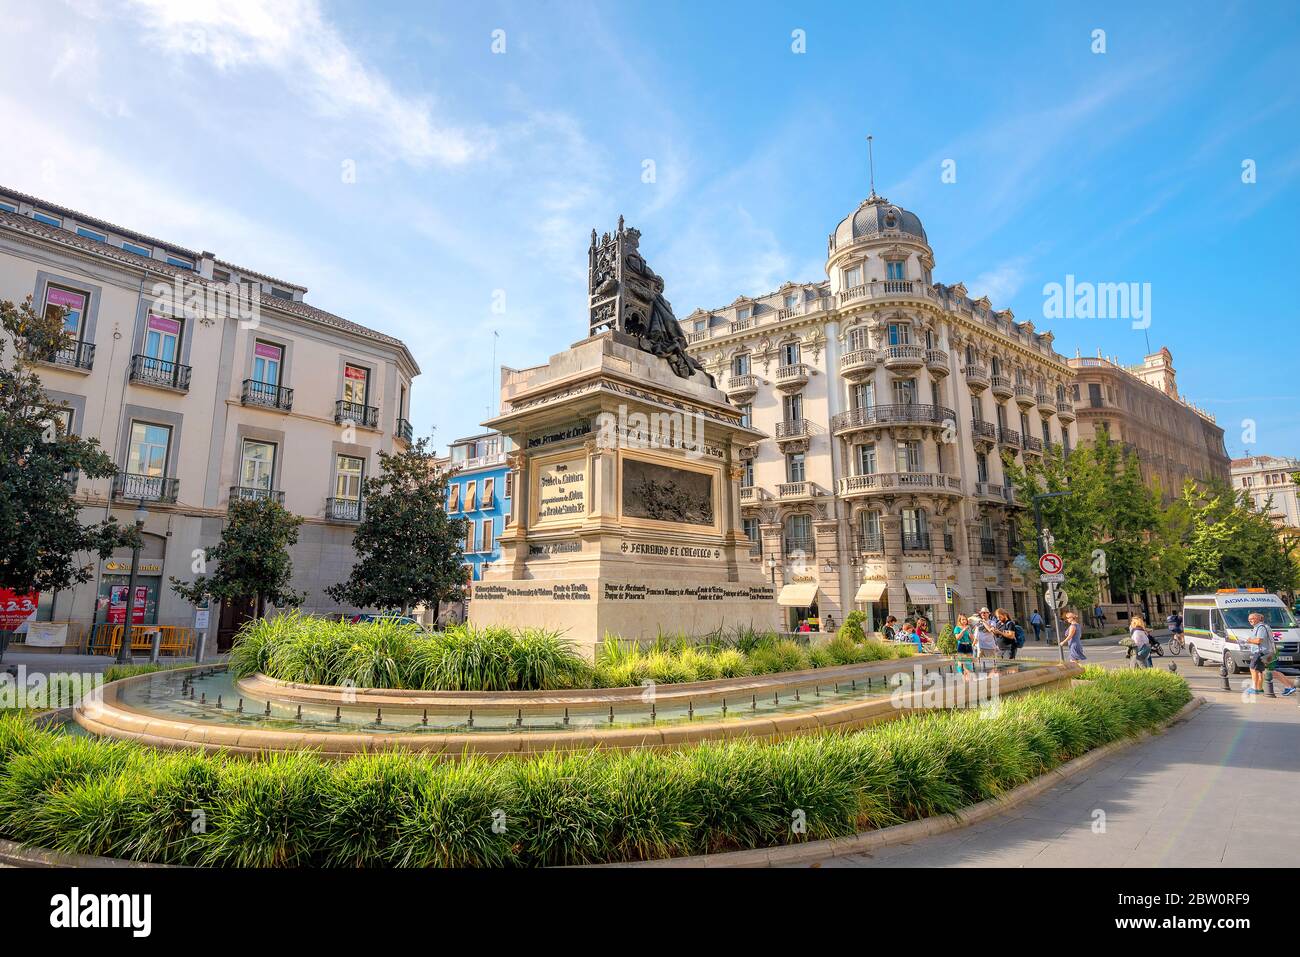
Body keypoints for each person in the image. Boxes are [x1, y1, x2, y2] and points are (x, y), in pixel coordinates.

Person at [1246, 611, 1298, 696]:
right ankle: (1290, 685)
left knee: (1253, 669)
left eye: (1252, 618)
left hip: (1261, 652)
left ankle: (1255, 688)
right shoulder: (1261, 627)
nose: (1250, 621)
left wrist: (1249, 640)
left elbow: (1259, 640)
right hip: (1267, 652)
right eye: (1249, 619)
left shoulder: (1261, 627)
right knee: (1264, 671)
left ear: (1258, 618)